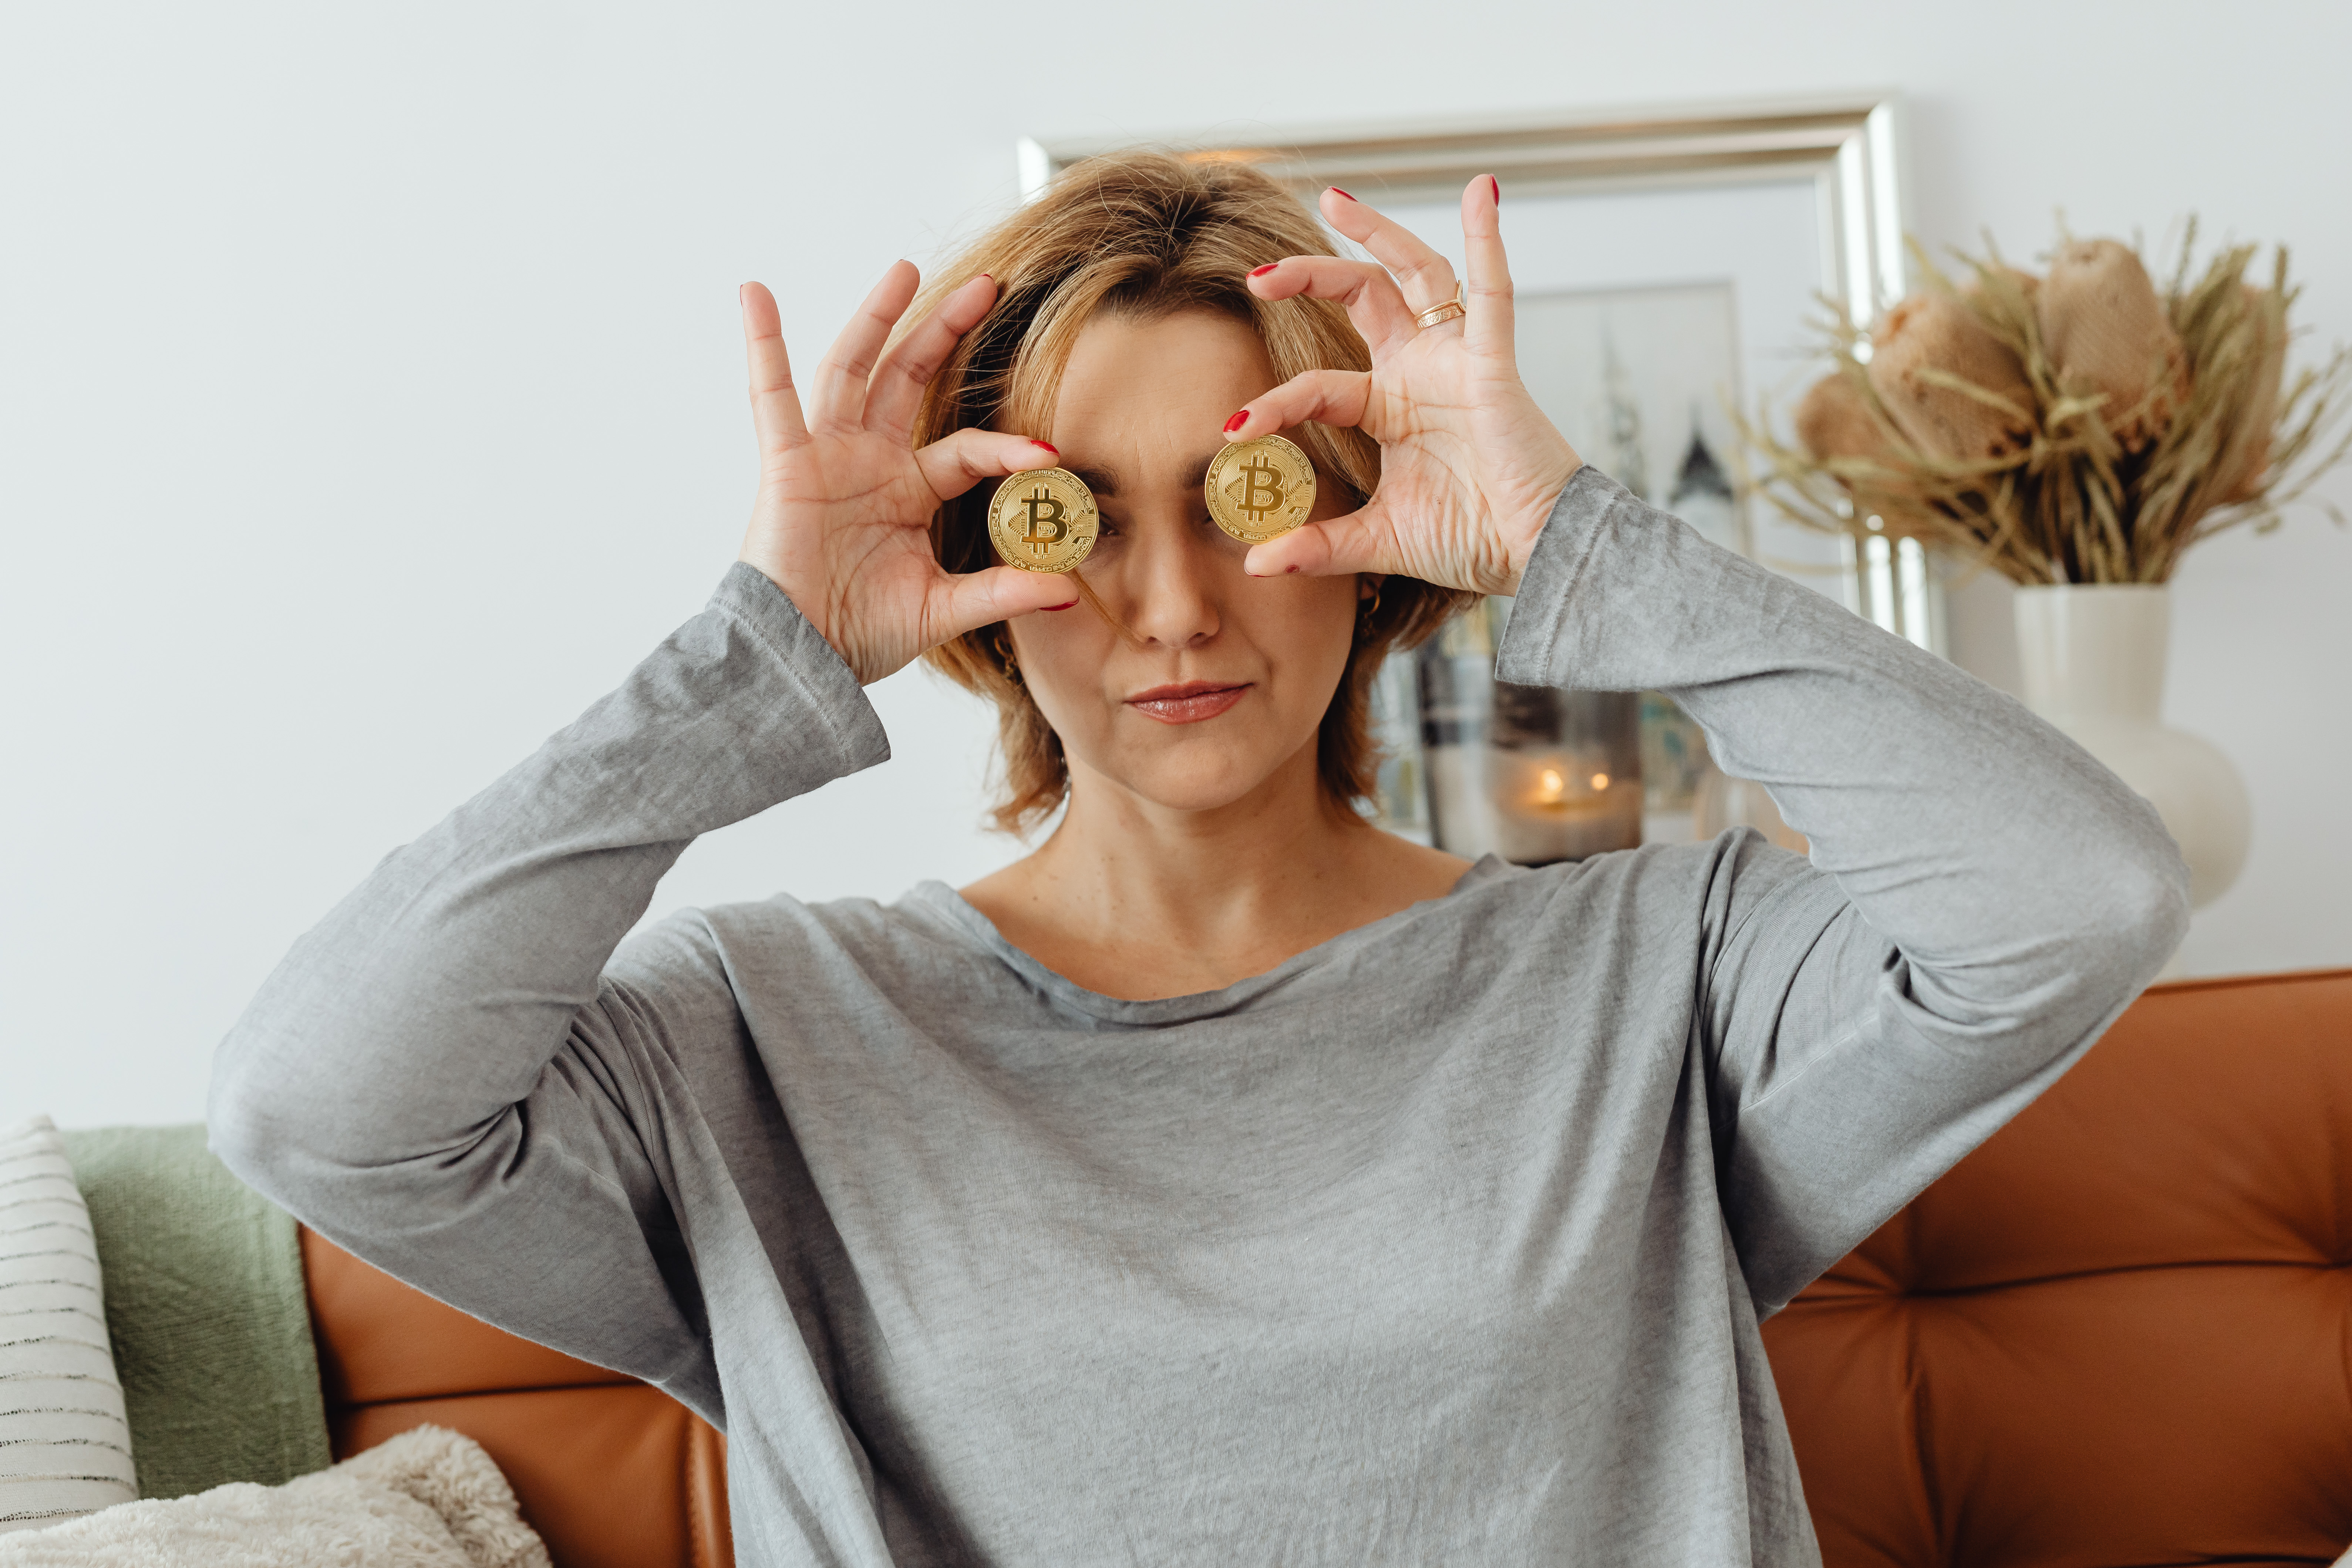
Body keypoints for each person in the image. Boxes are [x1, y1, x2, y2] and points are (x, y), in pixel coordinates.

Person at [210, 154, 2188, 1565]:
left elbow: (2078, 898)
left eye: (1238, 500)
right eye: (1079, 517)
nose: (1169, 606)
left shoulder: (1647, 972)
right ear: (980, 572)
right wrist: (765, 650)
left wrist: (1570, 532)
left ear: (1367, 531)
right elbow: (317, 1104)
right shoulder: (760, 1035)